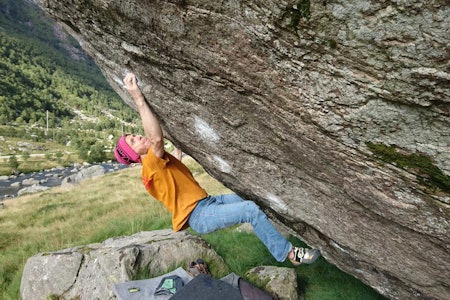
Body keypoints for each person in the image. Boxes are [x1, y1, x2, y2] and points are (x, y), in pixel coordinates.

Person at [114, 72, 320, 266]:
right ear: (133, 155)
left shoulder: (153, 167)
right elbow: (156, 139)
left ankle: (288, 235)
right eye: (133, 141)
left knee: (255, 200)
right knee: (250, 210)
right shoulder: (149, 163)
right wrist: (138, 99)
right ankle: (290, 254)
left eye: (134, 135)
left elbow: (171, 178)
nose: (138, 136)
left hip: (208, 202)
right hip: (200, 214)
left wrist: (177, 151)